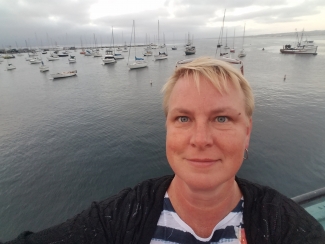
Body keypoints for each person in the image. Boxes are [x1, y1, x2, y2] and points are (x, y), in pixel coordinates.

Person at [3, 57, 325, 244]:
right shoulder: (121, 217)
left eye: (222, 118)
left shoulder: (286, 228)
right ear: (167, 129)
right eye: (183, 118)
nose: (200, 139)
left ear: (247, 133)